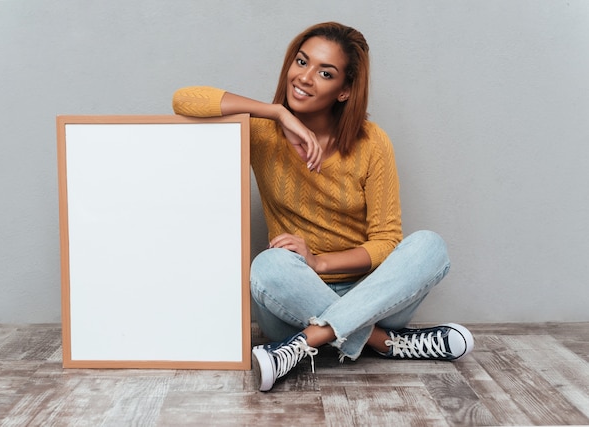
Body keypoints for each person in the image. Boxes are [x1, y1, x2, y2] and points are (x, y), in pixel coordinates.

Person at [172, 22, 474, 392]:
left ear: (344, 91)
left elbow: (385, 241)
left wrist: (319, 261)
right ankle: (386, 344)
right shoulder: (263, 133)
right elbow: (184, 99)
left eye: (325, 73)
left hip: (374, 295)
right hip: (293, 303)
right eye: (301, 62)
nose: (305, 77)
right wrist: (277, 114)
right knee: (267, 265)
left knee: (430, 245)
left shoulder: (371, 144)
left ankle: (307, 344)